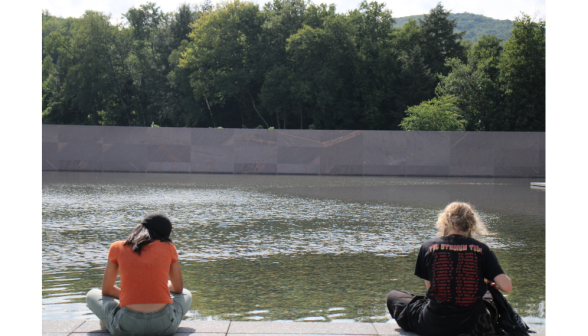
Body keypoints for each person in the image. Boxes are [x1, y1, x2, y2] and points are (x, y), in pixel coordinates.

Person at [386, 202, 512, 336]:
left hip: (435, 324)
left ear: (445, 221)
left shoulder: (428, 246)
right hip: (476, 326)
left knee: (393, 296)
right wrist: (489, 282)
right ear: (471, 223)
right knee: (487, 293)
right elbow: (507, 287)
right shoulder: (482, 249)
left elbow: (431, 289)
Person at [86, 213, 192, 336]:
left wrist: (131, 296)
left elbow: (107, 290)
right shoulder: (169, 247)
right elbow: (178, 289)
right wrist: (161, 288)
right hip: (165, 326)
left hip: (124, 326)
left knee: (91, 295)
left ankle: (110, 320)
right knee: (186, 293)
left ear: (140, 227)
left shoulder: (117, 247)